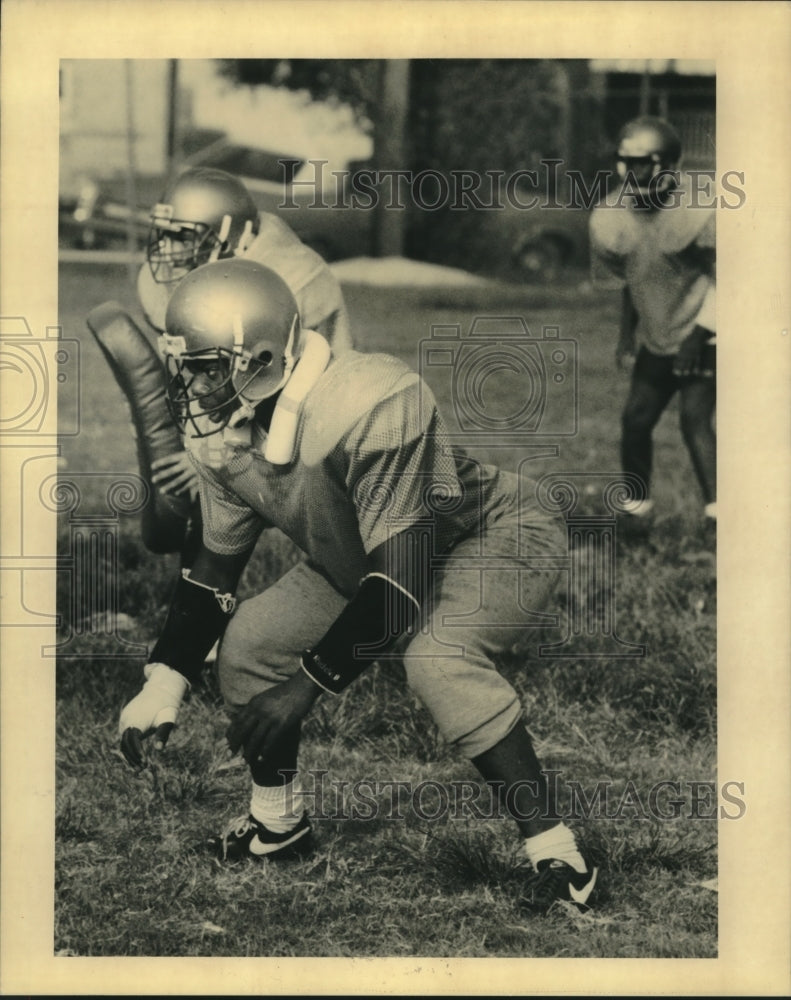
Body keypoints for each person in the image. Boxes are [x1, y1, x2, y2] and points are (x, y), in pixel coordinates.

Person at [117, 257, 600, 914]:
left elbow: (397, 587)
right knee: (251, 642)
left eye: (204, 366)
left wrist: (306, 687)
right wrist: (164, 680)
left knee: (438, 659)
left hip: (488, 535)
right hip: (363, 558)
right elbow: (214, 577)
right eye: (185, 366)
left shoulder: (369, 399)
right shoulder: (225, 439)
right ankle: (276, 827)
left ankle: (557, 851)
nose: (191, 384)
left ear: (259, 358)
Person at [88, 166, 354, 570]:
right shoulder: (164, 280)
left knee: (223, 479)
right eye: (164, 234)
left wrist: (217, 456)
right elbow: (196, 375)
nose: (168, 252)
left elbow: (282, 395)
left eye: (185, 237)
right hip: (243, 394)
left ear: (238, 239)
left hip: (309, 412)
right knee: (195, 460)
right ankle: (201, 579)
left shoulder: (289, 284)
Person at [589, 115, 717, 540]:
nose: (635, 173)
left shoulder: (697, 210)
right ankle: (636, 510)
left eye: (645, 164)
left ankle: (721, 515)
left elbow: (731, 283)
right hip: (658, 338)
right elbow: (632, 278)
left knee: (694, 423)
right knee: (635, 420)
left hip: (704, 331)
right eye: (629, 164)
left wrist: (699, 338)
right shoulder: (611, 217)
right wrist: (627, 335)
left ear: (666, 164)